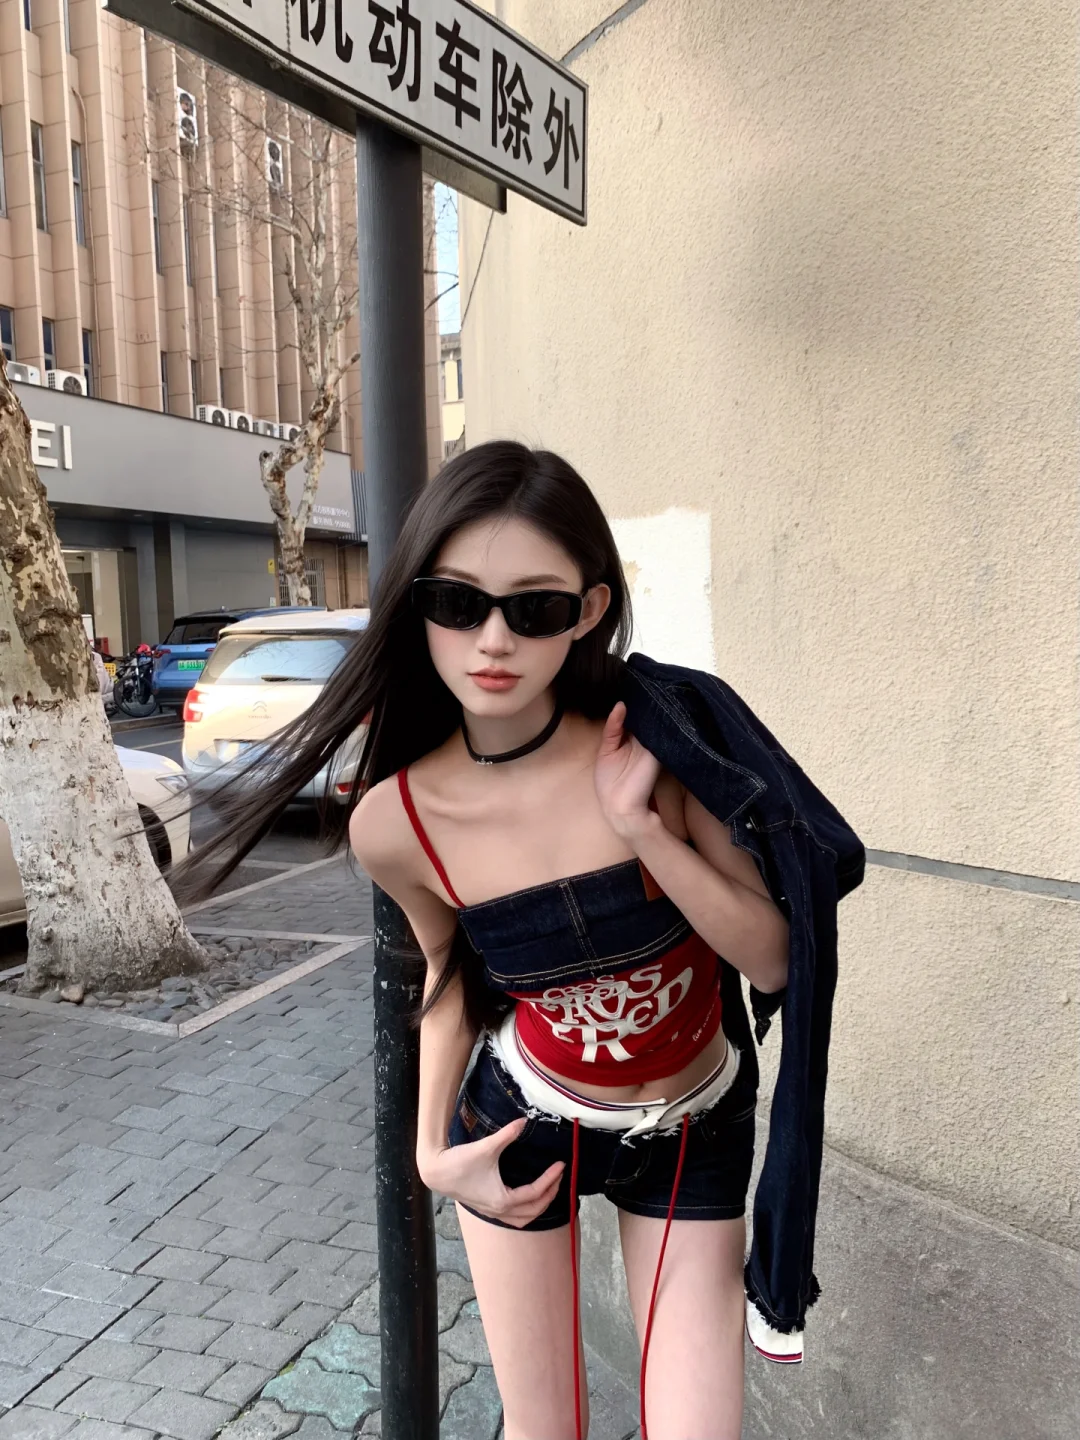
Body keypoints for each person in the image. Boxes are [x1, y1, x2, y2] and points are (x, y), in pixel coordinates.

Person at [175, 442, 863, 1440]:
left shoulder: (662, 747)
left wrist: (644, 832)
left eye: (533, 608)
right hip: (520, 1125)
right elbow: (449, 977)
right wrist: (430, 1154)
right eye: (458, 603)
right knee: (545, 1430)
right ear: (417, 607)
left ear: (588, 610)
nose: (492, 640)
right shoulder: (397, 821)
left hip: (693, 1124)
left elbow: (774, 961)